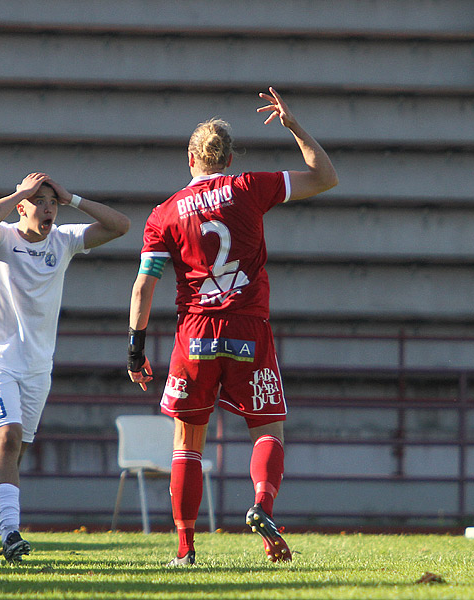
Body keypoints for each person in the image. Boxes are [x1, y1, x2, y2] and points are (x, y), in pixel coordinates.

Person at [126, 87, 338, 566]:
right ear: (230, 155)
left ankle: (184, 547)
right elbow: (326, 177)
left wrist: (136, 351)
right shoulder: (251, 187)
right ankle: (262, 506)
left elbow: (143, 287)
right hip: (248, 327)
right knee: (267, 432)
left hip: (195, 333)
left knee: (187, 442)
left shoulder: (164, 213)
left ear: (191, 157)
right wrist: (293, 126)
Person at [0, 172, 130, 564]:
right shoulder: (1, 239)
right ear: (21, 206)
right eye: (38, 201)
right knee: (6, 440)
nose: (47, 208)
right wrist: (19, 193)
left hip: (38, 369)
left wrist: (72, 197)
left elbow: (121, 226)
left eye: (51, 202)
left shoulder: (63, 241)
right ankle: (11, 535)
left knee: (11, 457)